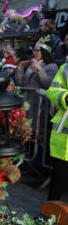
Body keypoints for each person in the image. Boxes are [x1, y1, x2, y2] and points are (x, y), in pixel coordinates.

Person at [15, 37, 58, 134]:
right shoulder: (30, 65)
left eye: (37, 50)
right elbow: (21, 83)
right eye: (33, 50)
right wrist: (20, 70)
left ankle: (36, 146)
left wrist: (39, 68)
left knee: (36, 131)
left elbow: (47, 83)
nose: (34, 52)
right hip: (27, 101)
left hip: (40, 103)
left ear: (44, 52)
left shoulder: (52, 66)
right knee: (25, 129)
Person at [46, 63, 68, 201]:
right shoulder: (66, 68)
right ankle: (48, 216)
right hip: (62, 138)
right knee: (58, 179)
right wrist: (65, 97)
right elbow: (52, 90)